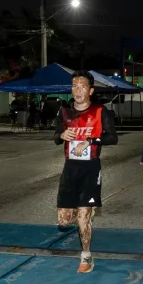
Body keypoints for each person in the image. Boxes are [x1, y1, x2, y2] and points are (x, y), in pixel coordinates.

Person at [54, 70, 118, 273]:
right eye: (75, 86)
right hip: (70, 168)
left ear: (90, 91)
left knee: (82, 217)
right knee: (64, 220)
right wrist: (62, 135)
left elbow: (113, 137)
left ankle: (86, 256)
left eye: (82, 87)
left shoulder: (100, 111)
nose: (78, 90)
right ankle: (84, 212)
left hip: (90, 168)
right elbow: (56, 136)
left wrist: (90, 140)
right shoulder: (64, 112)